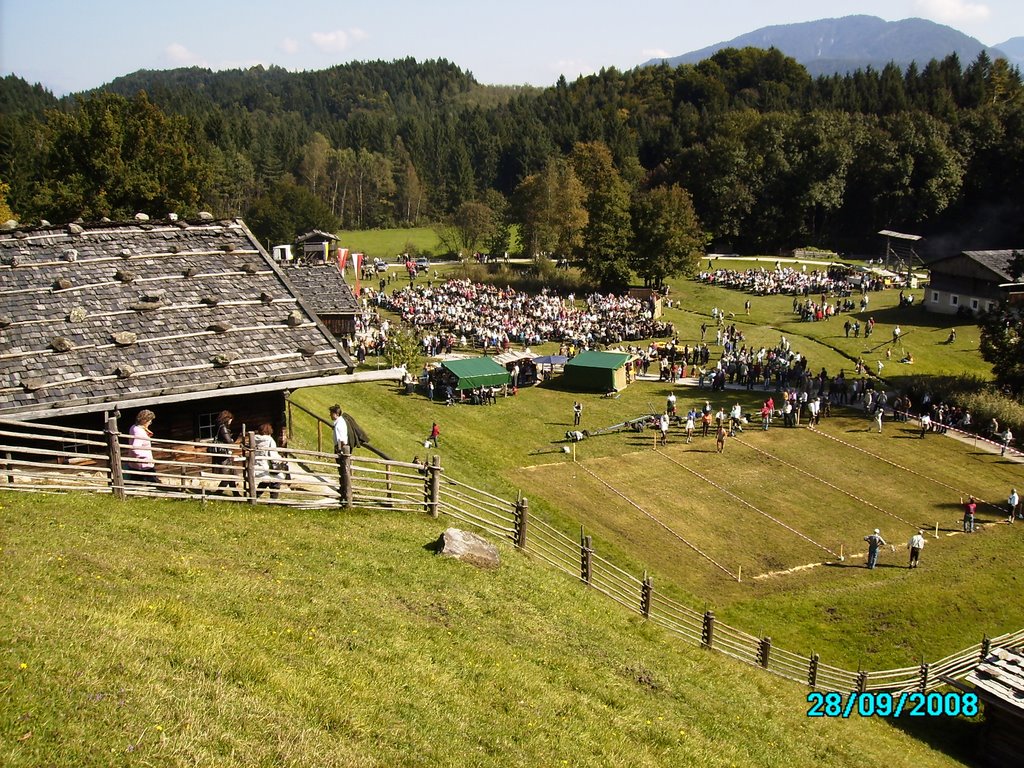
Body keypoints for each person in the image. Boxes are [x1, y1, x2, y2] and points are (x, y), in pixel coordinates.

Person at [127, 409, 160, 486]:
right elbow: (135, 449)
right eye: (149, 421)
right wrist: (146, 457)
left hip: (135, 463)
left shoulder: (134, 427)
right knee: (152, 482)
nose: (150, 423)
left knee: (135, 481)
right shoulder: (139, 432)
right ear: (144, 420)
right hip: (143, 464)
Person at [253, 422, 283, 499]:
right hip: (267, 465)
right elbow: (272, 454)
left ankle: (255, 497)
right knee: (275, 481)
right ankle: (273, 500)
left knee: (265, 482)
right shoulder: (270, 440)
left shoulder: (254, 439)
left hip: (258, 464)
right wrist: (280, 459)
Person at [212, 409, 239, 494]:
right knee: (228, 474)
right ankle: (218, 492)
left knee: (231, 473)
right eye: (230, 419)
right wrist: (234, 436)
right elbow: (228, 441)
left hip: (223, 453)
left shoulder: (218, 426)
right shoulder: (223, 427)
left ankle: (235, 493)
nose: (231, 422)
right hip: (224, 453)